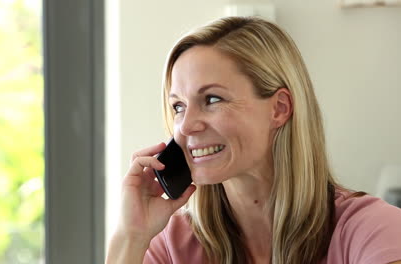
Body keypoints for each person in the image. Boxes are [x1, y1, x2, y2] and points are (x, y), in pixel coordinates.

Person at [106, 16, 401, 264]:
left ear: (279, 109)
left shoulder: (370, 231)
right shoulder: (172, 246)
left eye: (212, 99)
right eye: (178, 106)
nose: (185, 127)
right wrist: (131, 236)